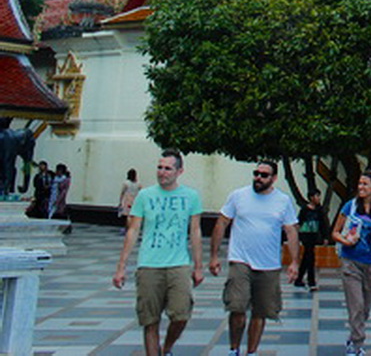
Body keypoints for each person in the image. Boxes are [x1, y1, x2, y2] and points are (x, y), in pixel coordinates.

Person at [112, 149, 204, 356]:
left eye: (168, 168)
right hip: (149, 265)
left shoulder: (191, 196)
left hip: (178, 264)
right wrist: (121, 267)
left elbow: (195, 231)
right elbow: (133, 230)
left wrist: (199, 266)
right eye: (160, 167)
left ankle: (167, 347)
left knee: (181, 315)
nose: (162, 172)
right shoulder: (145, 196)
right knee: (150, 320)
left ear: (179, 171)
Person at [209, 161, 299, 356]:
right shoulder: (238, 196)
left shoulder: (283, 201)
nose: (258, 178)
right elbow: (222, 223)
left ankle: (251, 351)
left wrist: (294, 262)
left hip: (268, 265)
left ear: (274, 178)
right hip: (240, 260)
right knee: (237, 307)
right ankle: (234, 349)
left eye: (264, 175)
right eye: (256, 173)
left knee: (260, 312)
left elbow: (291, 231)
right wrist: (214, 256)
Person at [331, 172, 371, 356]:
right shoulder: (350, 206)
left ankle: (353, 337)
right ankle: (357, 345)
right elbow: (335, 232)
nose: (361, 187)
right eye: (359, 183)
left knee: (364, 308)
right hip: (351, 262)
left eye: (365, 184)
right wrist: (345, 241)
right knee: (356, 305)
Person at [294, 190, 329, 290]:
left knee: (306, 257)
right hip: (305, 236)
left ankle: (299, 279)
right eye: (317, 196)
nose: (318, 198)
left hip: (314, 236)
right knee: (310, 257)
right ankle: (311, 281)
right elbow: (299, 222)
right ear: (311, 197)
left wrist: (325, 237)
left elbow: (323, 224)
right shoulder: (304, 209)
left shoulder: (319, 210)